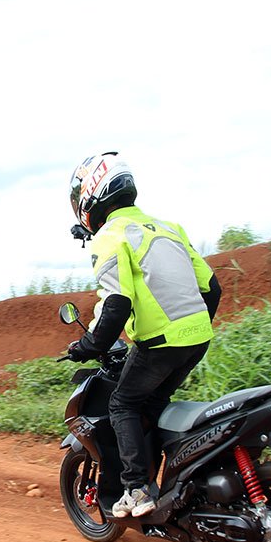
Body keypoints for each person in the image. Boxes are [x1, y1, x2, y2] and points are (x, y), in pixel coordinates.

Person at [65, 152, 221, 518]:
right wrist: (194, 326)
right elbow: (212, 289)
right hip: (198, 339)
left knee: (122, 404)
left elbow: (117, 302)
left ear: (91, 196)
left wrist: (90, 345)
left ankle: (136, 490)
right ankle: (171, 482)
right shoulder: (169, 228)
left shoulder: (110, 236)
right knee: (152, 405)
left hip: (160, 344)